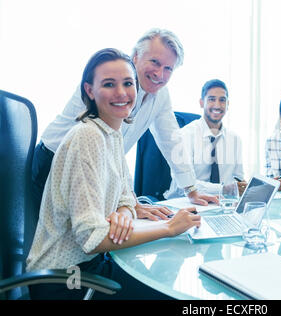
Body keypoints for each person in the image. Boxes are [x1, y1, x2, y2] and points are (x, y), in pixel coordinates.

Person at [26, 48, 201, 300]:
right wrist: (169, 227)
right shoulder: (87, 137)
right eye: (109, 84)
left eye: (128, 83)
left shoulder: (113, 133)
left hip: (92, 266)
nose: (121, 93)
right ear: (89, 90)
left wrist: (123, 213)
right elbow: (93, 237)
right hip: (66, 279)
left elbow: (126, 198)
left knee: (166, 286)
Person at [32, 28, 218, 222]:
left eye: (168, 68)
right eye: (155, 62)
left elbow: (171, 140)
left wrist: (191, 189)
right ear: (136, 57)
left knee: (112, 231)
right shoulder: (109, 85)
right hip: (54, 163)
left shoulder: (160, 94)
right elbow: (111, 145)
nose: (159, 74)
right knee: (71, 240)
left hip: (94, 171)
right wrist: (132, 202)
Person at [164, 79, 247, 198]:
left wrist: (242, 186)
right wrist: (223, 189)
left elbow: (238, 177)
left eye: (222, 100)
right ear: (201, 103)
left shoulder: (235, 139)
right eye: (212, 99)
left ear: (228, 104)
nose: (217, 105)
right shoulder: (185, 135)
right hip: (185, 203)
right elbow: (182, 183)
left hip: (223, 203)